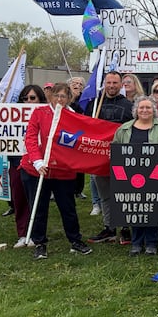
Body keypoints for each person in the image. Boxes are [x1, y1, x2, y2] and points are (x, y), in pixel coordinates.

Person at [20, 83, 92, 259]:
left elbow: (79, 140)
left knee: (68, 207)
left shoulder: (74, 116)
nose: (59, 99)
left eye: (63, 96)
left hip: (63, 170)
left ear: (69, 98)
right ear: (51, 96)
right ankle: (40, 243)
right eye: (56, 96)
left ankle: (75, 240)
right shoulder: (39, 113)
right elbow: (30, 137)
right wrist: (37, 160)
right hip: (38, 169)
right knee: (39, 207)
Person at [113, 96, 158, 256]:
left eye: (148, 107)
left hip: (155, 176)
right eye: (141, 107)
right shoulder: (124, 129)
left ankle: (151, 243)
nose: (144, 110)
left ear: (153, 110)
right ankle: (136, 243)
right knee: (135, 208)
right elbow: (115, 147)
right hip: (131, 177)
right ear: (136, 110)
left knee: (153, 208)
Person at [87, 71, 134, 244]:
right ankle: (109, 228)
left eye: (115, 83)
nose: (112, 86)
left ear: (121, 85)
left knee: (124, 193)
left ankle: (125, 228)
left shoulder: (129, 106)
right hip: (99, 158)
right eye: (109, 82)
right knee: (106, 195)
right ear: (104, 84)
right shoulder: (94, 105)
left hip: (121, 156)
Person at [10, 85, 48, 249]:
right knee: (19, 199)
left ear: (40, 99)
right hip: (16, 161)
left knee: (36, 200)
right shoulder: (13, 115)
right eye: (25, 98)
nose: (28, 101)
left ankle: (36, 233)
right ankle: (22, 233)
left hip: (37, 164)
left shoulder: (46, 114)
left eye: (32, 98)